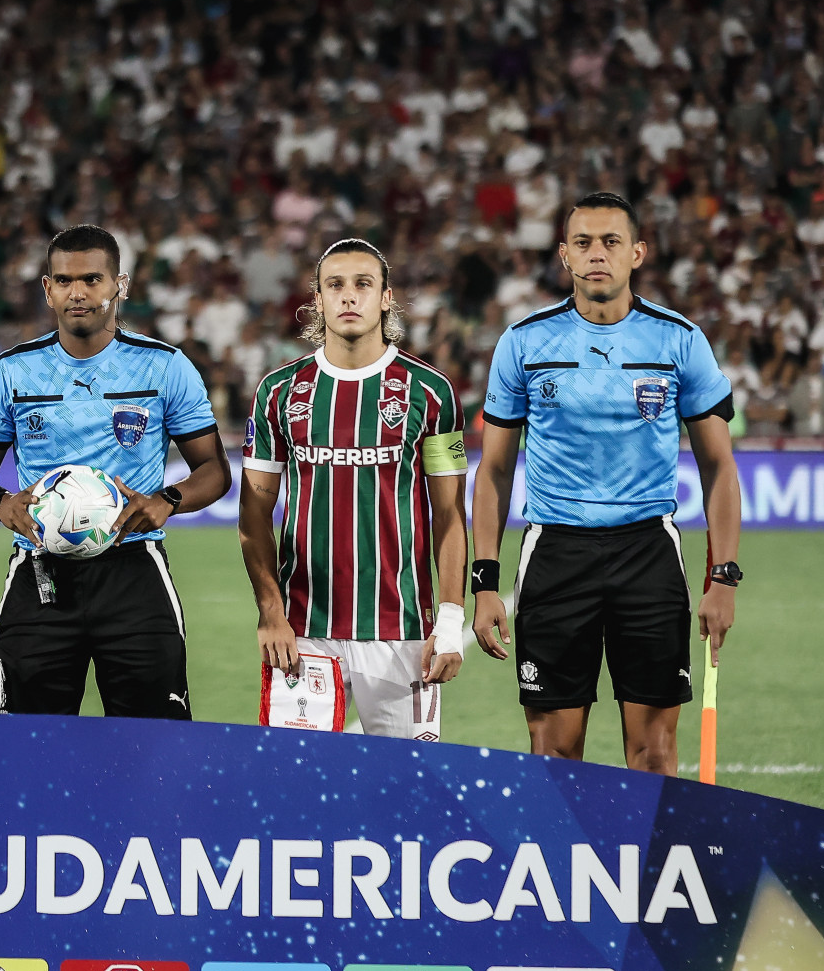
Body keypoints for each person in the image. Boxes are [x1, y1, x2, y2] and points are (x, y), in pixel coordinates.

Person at [471, 192, 741, 776]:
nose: (598, 255)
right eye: (584, 243)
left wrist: (724, 577)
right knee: (555, 753)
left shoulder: (679, 339)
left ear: (637, 253)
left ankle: (646, 870)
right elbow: (492, 470)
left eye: (612, 242)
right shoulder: (524, 342)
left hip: (647, 554)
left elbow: (720, 467)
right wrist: (485, 581)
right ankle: (566, 870)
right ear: (564, 255)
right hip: (555, 555)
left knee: (654, 754)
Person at [0, 224, 232, 718]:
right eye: (63, 281)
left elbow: (214, 469)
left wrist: (167, 500)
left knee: (154, 744)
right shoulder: (11, 371)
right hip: (40, 572)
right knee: (27, 743)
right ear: (47, 289)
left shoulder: (165, 367)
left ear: (119, 285)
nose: (78, 292)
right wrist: (1, 503)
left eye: (92, 279)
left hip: (134, 569)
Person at [238, 238, 470, 738]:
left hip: (404, 634)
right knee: (302, 795)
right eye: (335, 286)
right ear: (317, 299)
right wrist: (270, 612)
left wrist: (449, 622)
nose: (349, 297)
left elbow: (450, 515)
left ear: (386, 296)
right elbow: (254, 512)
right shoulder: (279, 392)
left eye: (363, 285)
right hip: (302, 633)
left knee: (406, 798)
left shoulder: (431, 394)